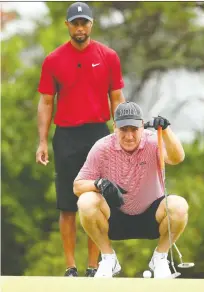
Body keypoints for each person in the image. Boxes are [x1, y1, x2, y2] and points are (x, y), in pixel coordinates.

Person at [36, 1, 125, 277]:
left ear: (91, 24)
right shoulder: (53, 60)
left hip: (98, 134)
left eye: (84, 22)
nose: (79, 28)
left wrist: (120, 134)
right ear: (67, 25)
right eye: (75, 23)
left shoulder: (108, 56)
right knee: (67, 204)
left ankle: (94, 265)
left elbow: (117, 97)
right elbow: (46, 101)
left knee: (96, 201)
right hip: (66, 137)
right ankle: (70, 267)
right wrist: (42, 141)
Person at [73, 101, 189, 278]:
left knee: (179, 206)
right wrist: (99, 184)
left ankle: (160, 258)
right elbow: (78, 185)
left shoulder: (153, 141)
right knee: (86, 201)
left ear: (142, 127)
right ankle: (108, 258)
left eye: (133, 129)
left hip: (152, 217)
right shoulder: (102, 147)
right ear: (114, 127)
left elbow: (177, 157)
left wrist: (165, 130)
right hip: (115, 218)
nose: (129, 136)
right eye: (123, 129)